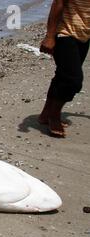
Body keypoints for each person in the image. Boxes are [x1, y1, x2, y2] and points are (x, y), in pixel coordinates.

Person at [39, 0, 89, 137]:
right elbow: (58, 3)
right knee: (73, 81)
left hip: (84, 35)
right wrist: (49, 37)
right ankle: (54, 116)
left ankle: (45, 115)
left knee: (63, 74)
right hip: (64, 33)